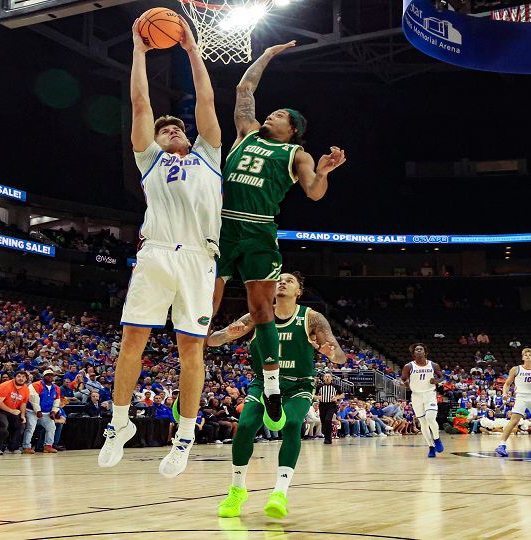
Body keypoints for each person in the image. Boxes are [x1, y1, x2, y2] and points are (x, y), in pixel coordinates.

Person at [100, 17, 222, 480]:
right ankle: (118, 423)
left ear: (189, 136)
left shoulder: (208, 157)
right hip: (154, 254)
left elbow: (207, 99)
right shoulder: (149, 161)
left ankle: (185, 436)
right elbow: (139, 103)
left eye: (175, 128)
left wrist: (192, 50)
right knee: (133, 339)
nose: (169, 130)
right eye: (163, 129)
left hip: (196, 256)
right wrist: (138, 50)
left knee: (191, 350)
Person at [211, 39, 347, 438]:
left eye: (282, 115)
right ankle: (196, 351)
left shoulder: (297, 154)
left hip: (257, 228)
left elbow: (315, 193)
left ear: (293, 130)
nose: (272, 114)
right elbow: (244, 91)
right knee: (207, 298)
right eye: (274, 111)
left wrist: (324, 171)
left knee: (259, 308)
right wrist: (267, 55)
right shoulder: (247, 132)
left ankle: (270, 381)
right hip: (222, 223)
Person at [208, 272, 346, 519]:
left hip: (297, 385)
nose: (282, 282)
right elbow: (213, 341)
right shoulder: (258, 315)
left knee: (292, 424)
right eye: (279, 279)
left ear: (299, 292)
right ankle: (237, 490)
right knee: (246, 426)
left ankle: (280, 492)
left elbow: (340, 356)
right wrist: (229, 333)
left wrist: (329, 352)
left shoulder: (312, 318)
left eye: (289, 280)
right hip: (262, 384)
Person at [495, 348, 531, 457]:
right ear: (523, 357)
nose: (528, 356)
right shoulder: (516, 369)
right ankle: (502, 445)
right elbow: (507, 384)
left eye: (530, 355)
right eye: (526, 355)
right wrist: (505, 393)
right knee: (514, 420)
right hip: (521, 396)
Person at [401, 343, 443, 458]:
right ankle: (431, 447)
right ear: (413, 353)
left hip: (430, 394)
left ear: (425, 352)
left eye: (421, 349)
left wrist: (436, 381)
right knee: (423, 423)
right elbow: (403, 379)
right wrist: (405, 384)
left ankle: (437, 439)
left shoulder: (433, 365)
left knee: (430, 418)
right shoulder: (408, 366)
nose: (419, 351)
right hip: (416, 396)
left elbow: (441, 376)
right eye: (416, 350)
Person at [0, 371, 29, 453]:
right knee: (3, 423)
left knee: (20, 424)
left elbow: (23, 403)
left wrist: (22, 415)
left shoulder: (25, 389)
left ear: (26, 379)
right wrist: (11, 411)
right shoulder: (5, 385)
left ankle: (13, 448)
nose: (21, 378)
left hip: (9, 410)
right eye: (19, 376)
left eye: (23, 377)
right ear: (14, 377)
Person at [24, 369, 61, 454]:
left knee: (52, 427)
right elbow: (33, 398)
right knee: (30, 428)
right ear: (43, 376)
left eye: (52, 375)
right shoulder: (35, 385)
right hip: (32, 411)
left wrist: (54, 411)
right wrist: (38, 411)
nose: (50, 377)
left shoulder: (56, 388)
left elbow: (57, 400)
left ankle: (48, 446)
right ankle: (26, 446)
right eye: (48, 375)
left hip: (46, 412)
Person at [315, 373, 342, 444]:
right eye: (326, 376)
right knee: (323, 421)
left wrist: (336, 398)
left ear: (331, 378)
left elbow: (342, 395)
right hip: (322, 405)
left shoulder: (336, 386)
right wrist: (317, 397)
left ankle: (328, 438)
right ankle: (325, 433)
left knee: (328, 420)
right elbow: (314, 395)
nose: (327, 377)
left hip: (331, 405)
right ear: (323, 378)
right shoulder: (319, 386)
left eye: (328, 376)